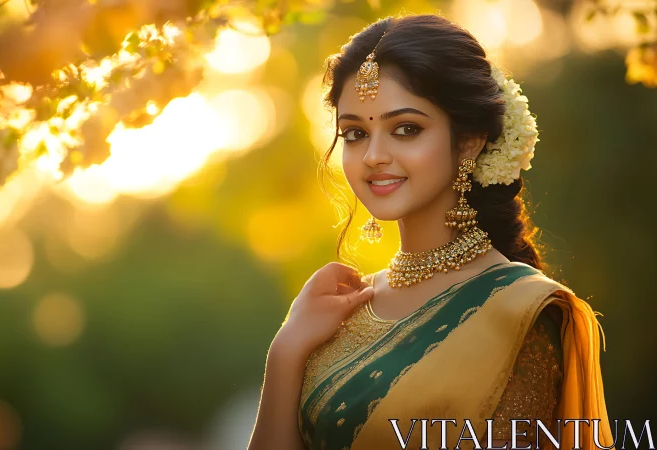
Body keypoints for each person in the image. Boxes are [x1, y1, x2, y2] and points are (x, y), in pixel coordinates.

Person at [247, 13, 616, 450]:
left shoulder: (521, 311)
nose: (373, 156)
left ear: (469, 141)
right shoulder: (336, 315)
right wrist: (287, 350)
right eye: (355, 133)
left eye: (406, 129)